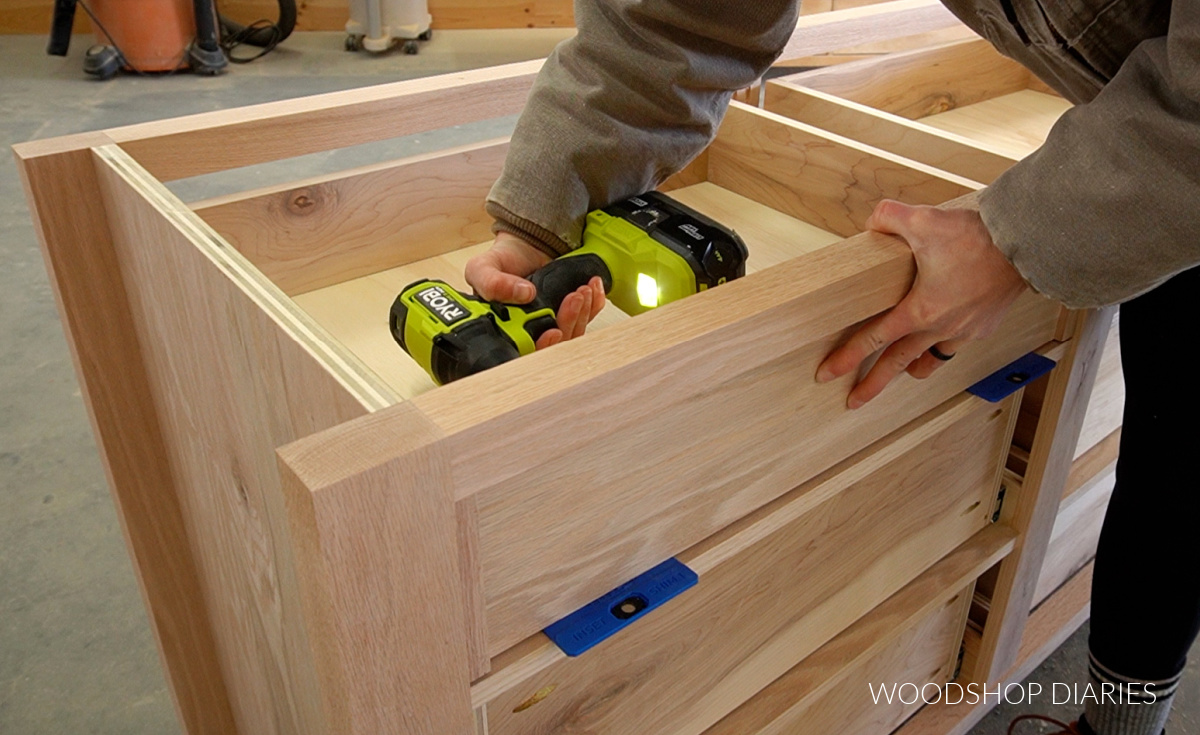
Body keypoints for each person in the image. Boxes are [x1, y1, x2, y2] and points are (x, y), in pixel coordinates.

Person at [462, 2, 1200, 734]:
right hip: (1144, 129)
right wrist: (546, 209)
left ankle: (1124, 725)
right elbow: (681, 17)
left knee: (1177, 469)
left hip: (1173, 141)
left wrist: (1023, 236)